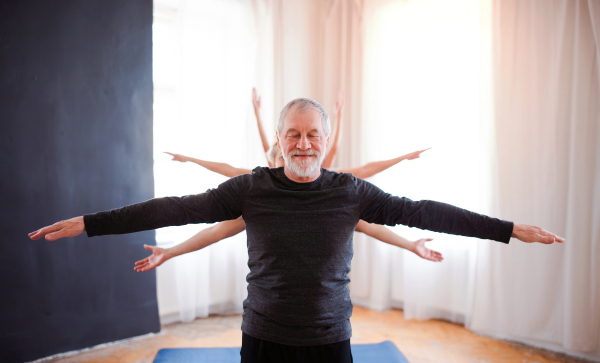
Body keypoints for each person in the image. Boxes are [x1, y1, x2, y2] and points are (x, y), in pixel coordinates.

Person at [29, 98, 564, 363]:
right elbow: (175, 208)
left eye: (313, 134)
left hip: (331, 340)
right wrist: (89, 223)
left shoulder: (351, 191)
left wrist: (510, 228)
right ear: (281, 141)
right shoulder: (251, 189)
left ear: (327, 141)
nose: (303, 143)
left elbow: (425, 211)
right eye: (293, 134)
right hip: (262, 337)